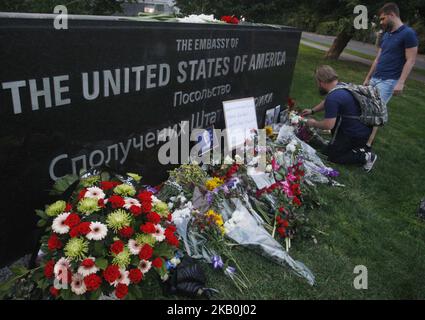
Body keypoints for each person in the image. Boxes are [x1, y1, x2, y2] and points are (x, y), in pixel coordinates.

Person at [363, 2, 418, 148]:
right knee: (365, 107)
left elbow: (411, 60)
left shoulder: (408, 33)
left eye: (382, 19)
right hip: (375, 78)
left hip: (389, 80)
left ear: (392, 15)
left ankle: (367, 145)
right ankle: (359, 137)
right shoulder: (386, 35)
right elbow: (378, 58)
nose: (381, 22)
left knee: (376, 111)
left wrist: (401, 82)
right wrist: (368, 77)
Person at [302, 65, 377, 171]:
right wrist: (312, 110)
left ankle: (365, 156)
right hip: (364, 129)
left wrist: (313, 123)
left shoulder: (334, 97)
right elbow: (327, 101)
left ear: (321, 82)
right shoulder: (342, 86)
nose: (317, 85)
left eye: (317, 82)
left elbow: (328, 125)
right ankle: (354, 147)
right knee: (326, 150)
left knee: (330, 157)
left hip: (353, 135)